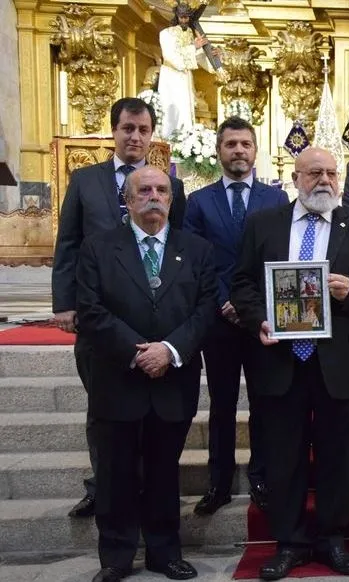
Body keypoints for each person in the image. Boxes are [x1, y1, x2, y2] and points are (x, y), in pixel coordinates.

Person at [230, 147, 349, 579]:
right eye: (314, 173)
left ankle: (331, 539)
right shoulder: (264, 224)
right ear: (296, 178)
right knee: (284, 454)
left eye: (330, 173)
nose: (323, 180)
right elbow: (242, 282)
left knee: (339, 454)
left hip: (338, 362)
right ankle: (290, 541)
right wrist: (261, 318)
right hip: (280, 359)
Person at [75, 166, 218, 582]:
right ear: (127, 199)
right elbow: (91, 310)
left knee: (162, 470)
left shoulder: (196, 249)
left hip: (172, 379)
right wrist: (137, 353)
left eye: (162, 190)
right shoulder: (99, 248)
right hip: (118, 378)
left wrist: (170, 350)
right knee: (116, 472)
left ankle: (163, 551)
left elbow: (205, 308)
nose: (154, 196)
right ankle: (116, 557)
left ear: (172, 199)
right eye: (144, 190)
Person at [51, 97, 187, 520]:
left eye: (143, 130)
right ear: (115, 131)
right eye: (128, 128)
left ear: (151, 134)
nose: (136, 137)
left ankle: (145, 485)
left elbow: (175, 247)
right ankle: (102, 483)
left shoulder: (168, 185)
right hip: (99, 316)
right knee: (104, 409)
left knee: (150, 411)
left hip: (152, 313)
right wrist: (65, 302)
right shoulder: (85, 180)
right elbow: (68, 241)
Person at [183, 117, 289, 516]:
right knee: (222, 402)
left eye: (245, 143)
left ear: (255, 150)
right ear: (219, 151)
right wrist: (222, 300)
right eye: (231, 144)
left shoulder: (276, 200)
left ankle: (261, 476)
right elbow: (194, 261)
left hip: (261, 319)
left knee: (264, 401)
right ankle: (219, 482)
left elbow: (280, 257)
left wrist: (250, 305)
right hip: (219, 321)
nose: (239, 151)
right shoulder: (199, 202)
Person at [158, 3, 218, 140]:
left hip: (185, 77)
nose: (184, 21)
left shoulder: (191, 34)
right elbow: (171, 57)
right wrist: (194, 47)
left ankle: (184, 142)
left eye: (187, 17)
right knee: (172, 113)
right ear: (177, 16)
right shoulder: (166, 34)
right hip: (170, 77)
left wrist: (213, 58)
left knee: (186, 114)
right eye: (182, 17)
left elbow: (200, 58)